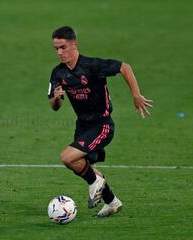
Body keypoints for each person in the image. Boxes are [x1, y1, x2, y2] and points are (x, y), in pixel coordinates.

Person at [47, 26, 153, 217]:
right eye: (56, 49)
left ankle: (95, 183)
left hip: (102, 125)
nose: (59, 52)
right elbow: (54, 106)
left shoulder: (92, 66)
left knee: (67, 157)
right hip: (82, 126)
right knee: (80, 165)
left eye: (63, 47)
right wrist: (55, 98)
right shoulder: (58, 74)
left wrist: (136, 94)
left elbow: (124, 67)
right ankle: (112, 202)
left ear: (74, 45)